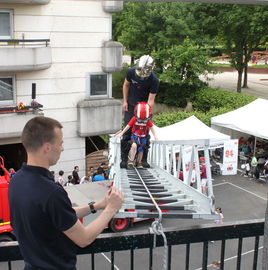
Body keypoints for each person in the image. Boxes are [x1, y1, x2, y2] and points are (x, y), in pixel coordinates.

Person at [8, 116, 124, 270]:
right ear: (47, 147)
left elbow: (57, 215)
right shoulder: (51, 192)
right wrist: (111, 209)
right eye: (60, 143)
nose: (62, 148)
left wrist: (98, 205)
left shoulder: (16, 181)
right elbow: (84, 238)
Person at [120, 55, 159, 168]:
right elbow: (126, 85)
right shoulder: (131, 72)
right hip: (131, 106)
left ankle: (143, 160)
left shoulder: (154, 80)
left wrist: (146, 114)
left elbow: (151, 100)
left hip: (144, 109)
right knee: (127, 132)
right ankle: (124, 159)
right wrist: (125, 101)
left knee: (145, 134)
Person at [116, 102, 158, 168]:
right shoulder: (134, 119)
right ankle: (131, 161)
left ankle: (139, 162)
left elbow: (152, 127)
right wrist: (122, 133)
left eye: (144, 120)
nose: (141, 121)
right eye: (140, 119)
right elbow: (128, 126)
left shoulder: (148, 120)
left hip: (143, 137)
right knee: (134, 146)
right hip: (134, 136)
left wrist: (155, 135)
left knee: (141, 149)